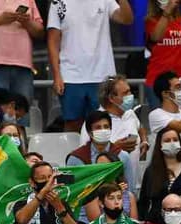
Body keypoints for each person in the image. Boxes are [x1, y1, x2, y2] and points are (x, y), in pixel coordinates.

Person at [47, 0, 133, 132]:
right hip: (71, 76)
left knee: (104, 123)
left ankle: (104, 154)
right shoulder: (57, 2)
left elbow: (126, 19)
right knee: (73, 124)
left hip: (103, 76)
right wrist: (57, 75)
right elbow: (53, 41)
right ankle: (75, 153)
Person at [144, 0, 181, 108]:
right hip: (158, 78)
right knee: (163, 120)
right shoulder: (151, 21)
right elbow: (156, 37)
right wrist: (166, 12)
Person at [66, 110, 135, 191]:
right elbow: (68, 190)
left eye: (106, 127)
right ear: (89, 133)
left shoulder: (123, 156)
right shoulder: (75, 158)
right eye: (98, 127)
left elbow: (130, 190)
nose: (103, 130)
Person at [138, 128, 181, 224]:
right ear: (160, 145)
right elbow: (143, 201)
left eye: (175, 139)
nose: (172, 143)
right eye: (167, 140)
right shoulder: (152, 170)